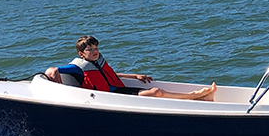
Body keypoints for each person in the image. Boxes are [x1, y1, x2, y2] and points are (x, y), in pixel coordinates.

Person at [44, 36, 216, 101]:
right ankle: (194, 96)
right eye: (90, 50)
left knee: (154, 90)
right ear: (81, 53)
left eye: (96, 48)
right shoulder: (77, 67)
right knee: (156, 92)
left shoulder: (97, 62)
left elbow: (108, 75)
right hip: (108, 98)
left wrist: (135, 76)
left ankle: (198, 97)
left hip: (120, 90)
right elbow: (54, 70)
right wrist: (53, 70)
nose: (95, 52)